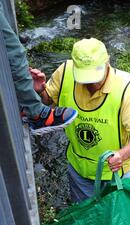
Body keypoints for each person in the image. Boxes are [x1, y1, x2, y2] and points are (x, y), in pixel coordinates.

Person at [33, 38, 130, 202]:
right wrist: (40, 90)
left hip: (116, 174)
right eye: (85, 78)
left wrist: (121, 155)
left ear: (107, 62)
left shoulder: (126, 88)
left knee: (117, 222)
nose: (91, 83)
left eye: (95, 77)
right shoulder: (65, 72)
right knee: (86, 219)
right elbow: (48, 101)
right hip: (80, 171)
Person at [0, 1, 77, 135]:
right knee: (15, 53)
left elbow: (47, 100)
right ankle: (37, 114)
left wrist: (39, 91)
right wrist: (40, 94)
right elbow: (49, 100)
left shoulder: (124, 86)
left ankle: (32, 108)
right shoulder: (66, 69)